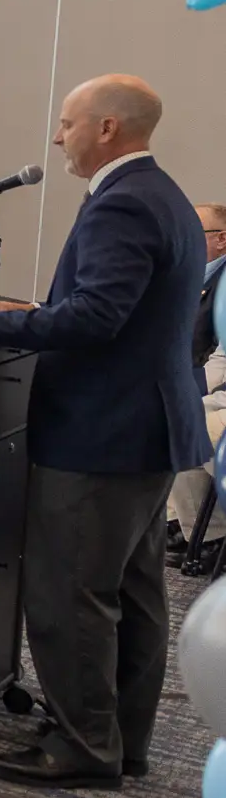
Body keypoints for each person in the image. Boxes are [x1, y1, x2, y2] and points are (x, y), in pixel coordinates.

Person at [0, 74, 206, 789]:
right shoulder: (164, 195)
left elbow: (96, 318)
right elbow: (124, 310)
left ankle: (81, 747)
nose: (57, 138)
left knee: (70, 594)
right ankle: (120, 739)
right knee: (131, 593)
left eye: (66, 123)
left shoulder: (123, 202)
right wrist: (29, 311)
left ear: (106, 128)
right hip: (145, 429)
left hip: (102, 434)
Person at [167, 201, 226, 568]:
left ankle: (206, 534)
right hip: (197, 380)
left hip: (208, 381)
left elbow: (218, 358)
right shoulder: (186, 276)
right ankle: (191, 528)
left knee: (185, 417)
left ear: (222, 239)